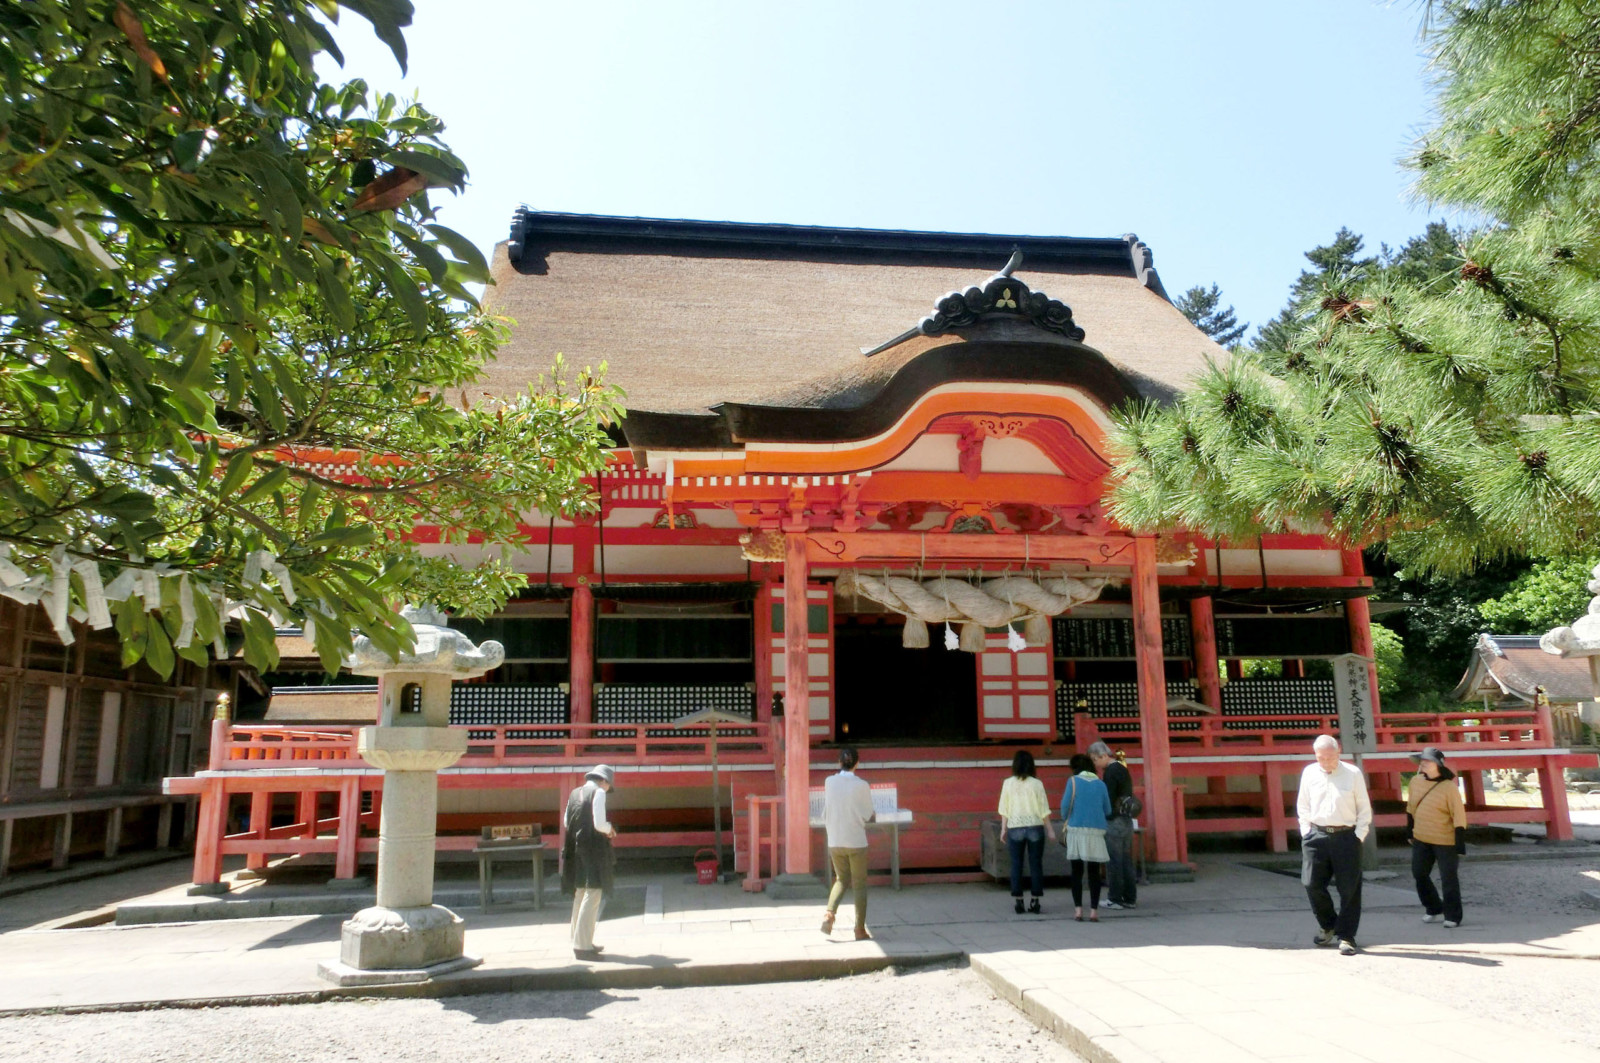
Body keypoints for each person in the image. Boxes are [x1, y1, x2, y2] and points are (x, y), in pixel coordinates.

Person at [1296, 734, 1372, 956]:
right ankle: (1328, 924)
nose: (1326, 762)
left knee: (1349, 888)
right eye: (1321, 758)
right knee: (1311, 883)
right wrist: (1306, 831)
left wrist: (1359, 835)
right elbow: (1303, 804)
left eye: (1330, 757)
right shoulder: (1309, 772)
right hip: (1317, 835)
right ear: (1315, 755)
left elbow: (1364, 808)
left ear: (1338, 753)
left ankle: (1347, 936)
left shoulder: (1352, 773)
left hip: (1346, 835)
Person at [1407, 746, 1468, 928]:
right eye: (1422, 761)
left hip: (1445, 840)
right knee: (1419, 873)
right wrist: (1409, 830)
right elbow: (1410, 808)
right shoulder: (1415, 782)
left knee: (1448, 878)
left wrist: (1459, 842)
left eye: (1427, 761)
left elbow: (1458, 814)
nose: (1423, 764)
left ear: (1437, 765)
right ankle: (1433, 907)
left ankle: (1453, 916)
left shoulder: (1449, 787)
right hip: (1421, 837)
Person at [820, 746, 876, 940]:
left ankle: (829, 913)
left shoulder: (829, 782)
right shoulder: (862, 785)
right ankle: (859, 929)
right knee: (859, 884)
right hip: (856, 841)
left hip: (834, 839)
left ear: (839, 762)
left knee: (841, 879)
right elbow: (868, 814)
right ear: (857, 763)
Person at [562, 764, 617, 960]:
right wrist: (610, 829)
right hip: (593, 848)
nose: (607, 790)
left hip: (575, 848)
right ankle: (583, 946)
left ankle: (578, 939)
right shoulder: (598, 793)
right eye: (608, 786)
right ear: (604, 781)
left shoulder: (574, 793)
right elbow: (599, 824)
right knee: (593, 891)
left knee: (580, 892)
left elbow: (566, 822)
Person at [998, 749, 1055, 914]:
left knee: (1016, 864)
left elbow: (1004, 809)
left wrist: (1003, 829)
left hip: (1015, 826)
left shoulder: (1008, 783)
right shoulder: (1037, 784)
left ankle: (1019, 901)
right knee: (1035, 864)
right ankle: (1035, 900)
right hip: (1035, 826)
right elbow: (1043, 809)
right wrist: (1050, 830)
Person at [1059, 752, 1112, 922]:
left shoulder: (1073, 781)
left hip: (1076, 831)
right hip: (1096, 832)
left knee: (1077, 872)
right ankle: (1094, 911)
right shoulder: (1101, 785)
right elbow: (1108, 810)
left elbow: (1064, 807)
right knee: (1094, 872)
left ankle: (1078, 911)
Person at [1089, 741, 1136, 910]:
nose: (1095, 764)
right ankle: (1130, 898)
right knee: (1126, 860)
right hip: (1126, 819)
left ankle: (1115, 898)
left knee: (1114, 861)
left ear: (1103, 756)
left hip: (1113, 820)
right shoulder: (1122, 768)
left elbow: (1108, 798)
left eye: (1095, 759)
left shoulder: (1110, 772)